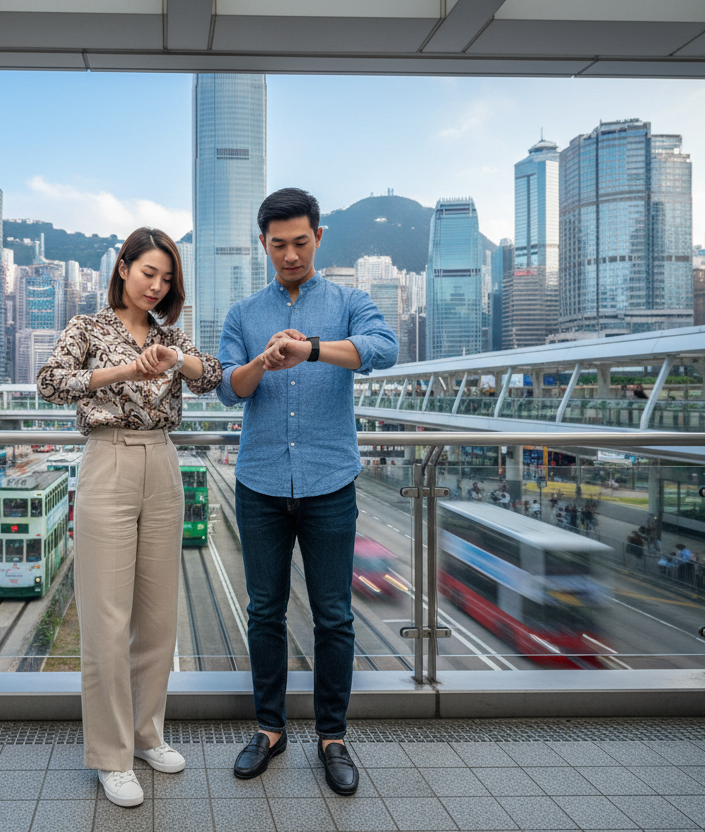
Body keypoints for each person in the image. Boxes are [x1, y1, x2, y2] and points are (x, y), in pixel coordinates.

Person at [216, 188, 397, 796]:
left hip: (329, 482)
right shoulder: (243, 314)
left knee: (334, 617)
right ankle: (268, 730)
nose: (289, 254)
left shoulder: (350, 301)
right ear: (262, 244)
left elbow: (384, 350)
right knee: (264, 613)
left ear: (318, 238)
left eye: (300, 241)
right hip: (260, 481)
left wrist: (314, 349)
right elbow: (227, 389)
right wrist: (265, 363)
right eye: (277, 244)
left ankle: (332, 737)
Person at [36, 226, 222, 808]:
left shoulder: (171, 336)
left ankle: (146, 735)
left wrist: (178, 360)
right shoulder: (88, 327)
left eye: (166, 278)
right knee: (106, 619)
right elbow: (49, 383)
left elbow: (213, 377)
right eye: (148, 273)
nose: (157, 285)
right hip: (108, 460)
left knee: (158, 616)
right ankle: (111, 757)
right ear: (123, 268)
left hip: (164, 463)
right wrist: (124, 372)